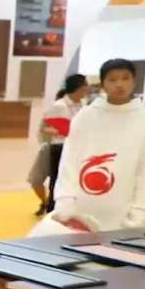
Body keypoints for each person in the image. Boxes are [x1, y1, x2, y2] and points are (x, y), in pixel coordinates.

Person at [50, 59, 145, 232]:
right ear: (103, 84)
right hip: (81, 207)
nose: (119, 84)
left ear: (134, 81)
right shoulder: (85, 117)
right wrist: (65, 199)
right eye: (112, 79)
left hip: (124, 209)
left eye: (125, 78)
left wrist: (140, 211)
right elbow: (69, 159)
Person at [41, 73, 89, 213]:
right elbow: (44, 128)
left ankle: (71, 210)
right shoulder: (59, 106)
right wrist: (61, 130)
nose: (87, 88)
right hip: (60, 147)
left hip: (78, 148)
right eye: (85, 85)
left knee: (74, 181)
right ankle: (52, 211)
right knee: (57, 180)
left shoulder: (83, 106)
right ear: (79, 87)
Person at [28, 89, 66, 216]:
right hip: (49, 149)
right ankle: (45, 203)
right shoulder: (51, 113)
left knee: (60, 183)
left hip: (67, 151)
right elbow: (42, 131)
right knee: (35, 179)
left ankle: (55, 206)